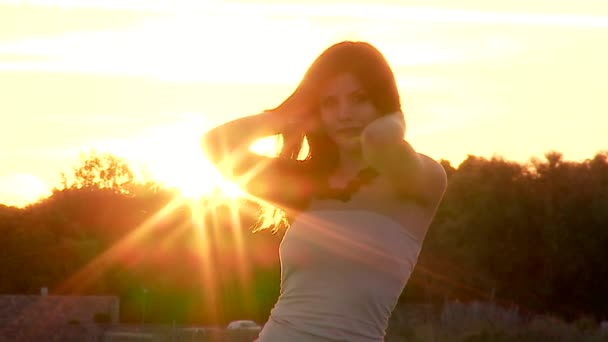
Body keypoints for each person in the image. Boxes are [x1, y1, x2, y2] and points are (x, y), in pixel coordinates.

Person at [202, 41, 447, 342]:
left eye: (359, 98)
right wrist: (288, 114)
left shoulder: (420, 180)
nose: (344, 114)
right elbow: (215, 144)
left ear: (382, 102)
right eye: (329, 103)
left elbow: (379, 140)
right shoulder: (306, 184)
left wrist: (395, 114)